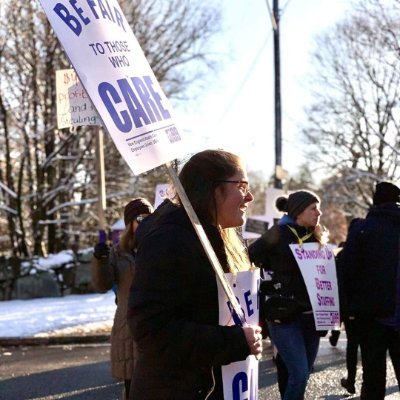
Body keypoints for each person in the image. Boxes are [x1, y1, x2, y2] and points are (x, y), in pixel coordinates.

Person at [127, 149, 263, 399]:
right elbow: (150, 329)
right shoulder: (169, 239)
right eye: (242, 186)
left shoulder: (218, 238)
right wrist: (232, 341)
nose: (250, 196)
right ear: (212, 188)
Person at [249, 190, 329, 399]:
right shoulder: (278, 233)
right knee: (299, 374)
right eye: (313, 208)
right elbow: (249, 257)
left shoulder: (315, 235)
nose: (318, 213)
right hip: (285, 316)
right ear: (298, 211)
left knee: (302, 373)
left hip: (312, 316)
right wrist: (273, 280)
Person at [340, 181, 400, 399]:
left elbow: (347, 270)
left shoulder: (362, 228)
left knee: (373, 378)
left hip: (370, 317)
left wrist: (350, 309)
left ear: (376, 200)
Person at [91, 198, 154, 400]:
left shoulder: (160, 248)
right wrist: (100, 260)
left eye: (148, 218)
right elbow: (102, 285)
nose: (144, 222)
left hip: (156, 325)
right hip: (128, 329)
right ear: (129, 224)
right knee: (132, 389)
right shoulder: (117, 254)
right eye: (139, 218)